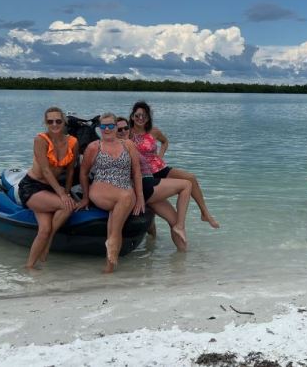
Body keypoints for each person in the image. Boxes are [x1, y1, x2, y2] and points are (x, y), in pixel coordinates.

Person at [129, 101, 220, 229]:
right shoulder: (127, 133)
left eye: (144, 115)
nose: (140, 118)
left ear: (148, 118)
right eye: (137, 115)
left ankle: (205, 213)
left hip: (160, 168)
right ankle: (152, 240)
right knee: (151, 218)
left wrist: (160, 155)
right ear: (132, 116)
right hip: (145, 174)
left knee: (191, 178)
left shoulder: (154, 131)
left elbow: (165, 142)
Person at [77, 112, 144, 273]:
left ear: (116, 126)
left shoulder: (128, 144)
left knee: (117, 216)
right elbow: (84, 173)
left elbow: (136, 172)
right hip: (102, 187)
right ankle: (113, 240)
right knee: (126, 198)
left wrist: (140, 197)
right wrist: (85, 197)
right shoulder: (94, 147)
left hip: (124, 186)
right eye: (103, 126)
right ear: (99, 128)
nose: (107, 129)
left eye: (111, 126)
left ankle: (109, 269)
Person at [115, 117, 190, 251]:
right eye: (119, 129)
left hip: (147, 188)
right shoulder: (121, 146)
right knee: (186, 185)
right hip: (145, 187)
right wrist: (139, 198)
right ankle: (181, 228)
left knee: (173, 221)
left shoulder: (129, 143)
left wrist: (157, 155)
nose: (123, 131)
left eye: (125, 128)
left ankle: (183, 258)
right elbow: (129, 173)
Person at [19, 106, 79, 269]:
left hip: (51, 188)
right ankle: (49, 243)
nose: (54, 124)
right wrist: (62, 194)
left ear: (64, 122)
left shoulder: (72, 142)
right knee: (68, 206)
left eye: (58, 121)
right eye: (50, 121)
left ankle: (29, 266)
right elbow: (45, 170)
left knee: (44, 229)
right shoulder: (41, 140)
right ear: (45, 123)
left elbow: (71, 170)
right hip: (31, 187)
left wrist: (66, 191)